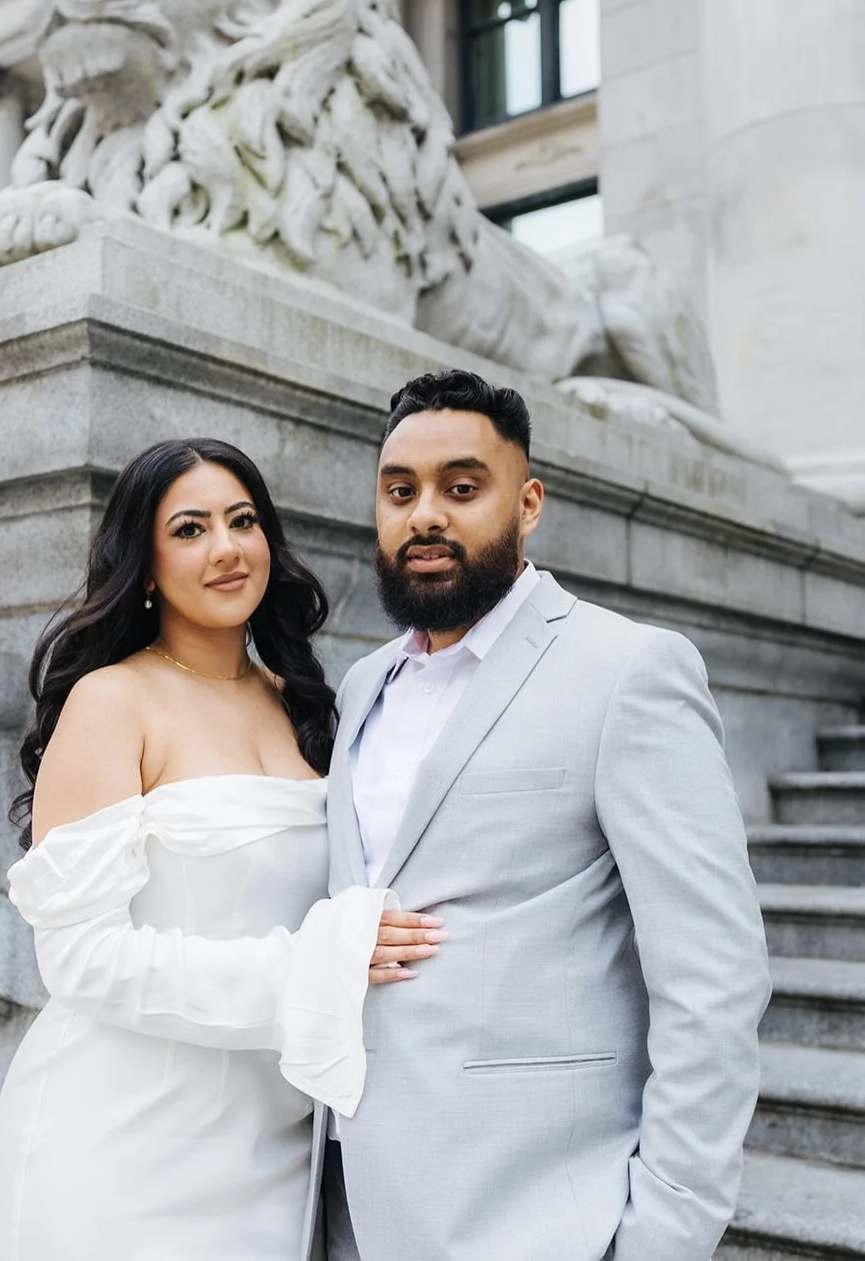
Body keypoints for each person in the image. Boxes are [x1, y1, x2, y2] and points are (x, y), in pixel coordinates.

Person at [318, 369, 772, 1261]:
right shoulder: (363, 685)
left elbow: (713, 975)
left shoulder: (628, 670)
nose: (424, 516)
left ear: (527, 504)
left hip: (535, 1216)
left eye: (461, 488)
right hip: (348, 1199)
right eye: (399, 492)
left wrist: (662, 1235)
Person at [0, 438, 441, 1261]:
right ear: (144, 564)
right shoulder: (110, 701)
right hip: (121, 1144)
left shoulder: (305, 704)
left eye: (243, 521)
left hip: (278, 1144)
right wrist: (317, 963)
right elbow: (80, 959)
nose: (226, 548)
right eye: (190, 529)